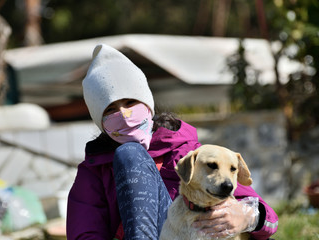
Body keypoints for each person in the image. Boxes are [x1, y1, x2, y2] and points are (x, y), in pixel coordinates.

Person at [66, 44, 278, 240]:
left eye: (130, 102)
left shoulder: (189, 153)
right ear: (99, 120)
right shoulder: (93, 173)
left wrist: (248, 217)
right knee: (129, 154)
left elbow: (267, 216)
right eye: (110, 110)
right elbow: (84, 234)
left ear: (147, 104)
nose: (123, 114)